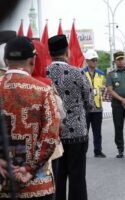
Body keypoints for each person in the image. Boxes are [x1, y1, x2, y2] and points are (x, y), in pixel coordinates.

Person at [0, 36, 60, 199]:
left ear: (6, 60)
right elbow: (51, 134)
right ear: (33, 60)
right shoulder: (43, 91)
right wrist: (29, 169)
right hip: (37, 185)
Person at [46, 35, 93, 200]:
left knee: (57, 177)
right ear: (67, 51)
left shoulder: (44, 74)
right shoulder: (77, 73)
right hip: (77, 134)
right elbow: (89, 102)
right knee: (77, 177)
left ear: (50, 53)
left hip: (53, 134)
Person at [83, 49, 106, 158]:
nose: (95, 62)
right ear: (87, 61)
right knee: (84, 132)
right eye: (92, 60)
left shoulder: (101, 74)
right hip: (85, 108)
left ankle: (98, 151)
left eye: (96, 60)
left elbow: (103, 88)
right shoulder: (81, 73)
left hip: (97, 107)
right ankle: (83, 152)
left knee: (97, 132)